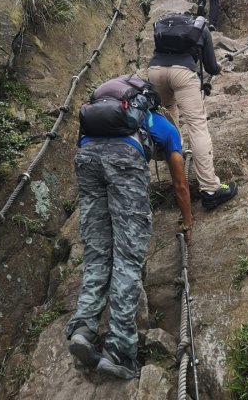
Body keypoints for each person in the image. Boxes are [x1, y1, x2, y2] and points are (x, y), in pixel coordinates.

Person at [65, 75, 192, 381]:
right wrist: (188, 221)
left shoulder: (101, 115)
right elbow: (179, 184)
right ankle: (120, 348)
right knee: (127, 254)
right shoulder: (161, 124)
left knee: (97, 249)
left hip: (87, 158)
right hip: (124, 162)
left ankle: (84, 328)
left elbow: (90, 147)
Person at [148, 15, 238, 211]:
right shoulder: (201, 28)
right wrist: (219, 67)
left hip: (155, 71)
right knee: (197, 126)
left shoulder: (164, 26)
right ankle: (210, 190)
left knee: (167, 113)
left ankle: (175, 153)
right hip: (183, 74)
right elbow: (212, 68)